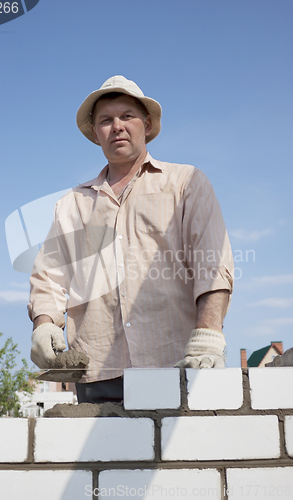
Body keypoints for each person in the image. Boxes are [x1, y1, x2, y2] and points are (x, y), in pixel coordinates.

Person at [28, 75, 234, 404]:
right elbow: (49, 276)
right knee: (107, 457)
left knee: (186, 456)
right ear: (96, 133)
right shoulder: (71, 206)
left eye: (127, 116)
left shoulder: (185, 184)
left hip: (178, 363)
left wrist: (210, 332)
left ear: (147, 125)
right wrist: (44, 323)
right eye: (106, 120)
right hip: (98, 373)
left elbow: (212, 260)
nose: (117, 127)